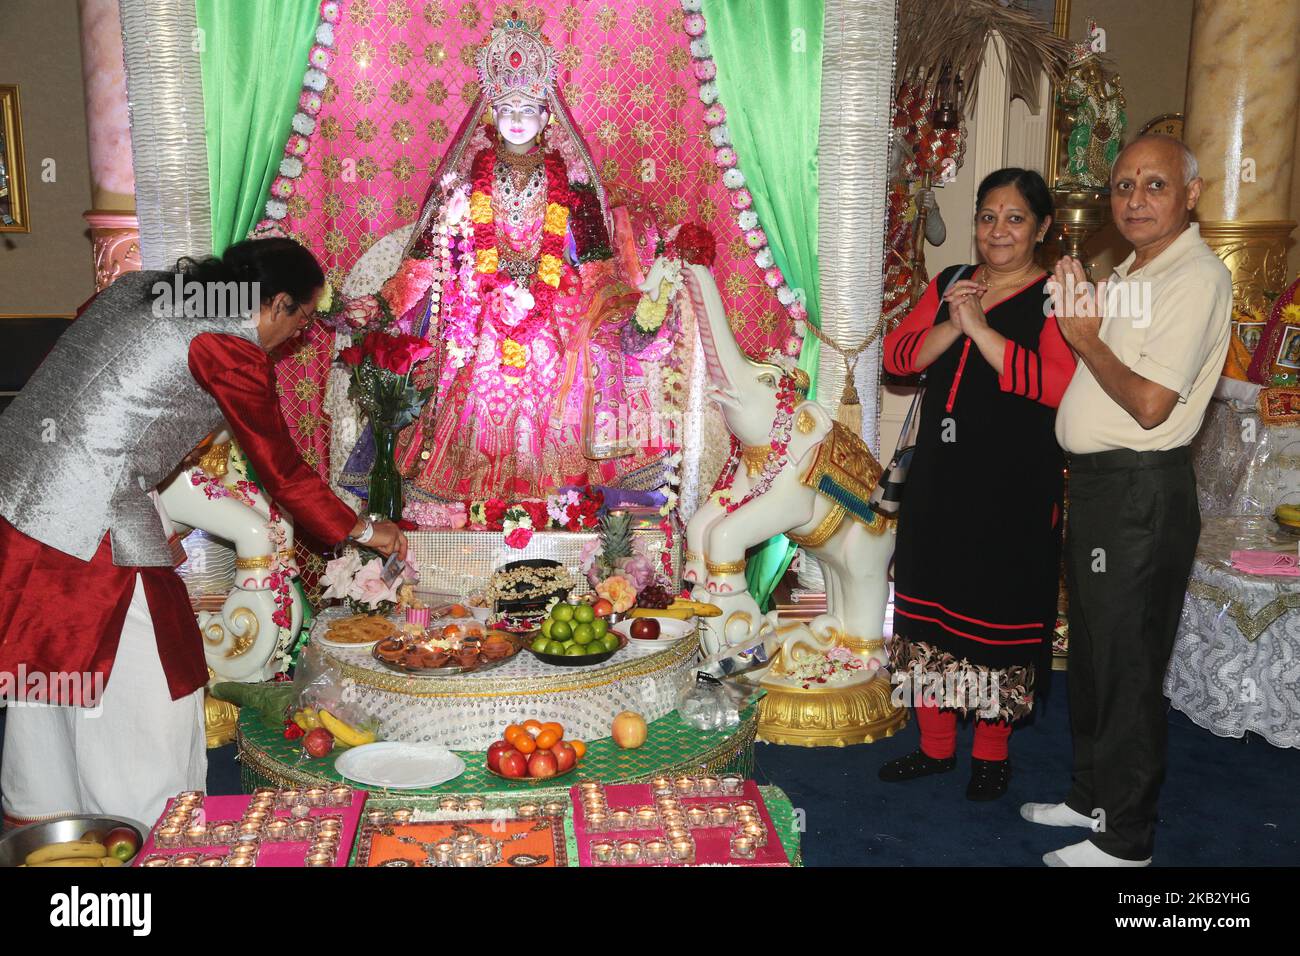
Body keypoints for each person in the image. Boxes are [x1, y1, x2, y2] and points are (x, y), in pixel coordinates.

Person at [0, 238, 407, 826]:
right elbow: (282, 470)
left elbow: (109, 395)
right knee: (153, 674)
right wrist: (366, 528)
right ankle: (150, 828)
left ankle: (45, 823)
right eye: (301, 321)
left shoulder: (142, 289)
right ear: (277, 303)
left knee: (47, 664)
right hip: (88, 516)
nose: (297, 337)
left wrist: (152, 514)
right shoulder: (230, 347)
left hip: (19, 493)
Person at [1023, 135, 1232, 867]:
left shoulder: (1194, 278)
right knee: (1091, 657)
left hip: (1141, 492)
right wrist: (1085, 315)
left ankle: (1126, 838)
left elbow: (1148, 404)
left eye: (1154, 185)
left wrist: (1086, 338)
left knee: (1128, 665)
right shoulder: (1141, 269)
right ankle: (1091, 797)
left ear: (1190, 195)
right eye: (1123, 187)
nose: (1135, 200)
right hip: (1106, 488)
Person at [881, 168, 1076, 800]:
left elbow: (1054, 385)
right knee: (928, 616)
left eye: (1015, 218)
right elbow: (897, 359)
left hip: (1013, 490)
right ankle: (935, 747)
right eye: (988, 216)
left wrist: (982, 332)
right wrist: (954, 323)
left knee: (995, 619)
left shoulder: (1057, 297)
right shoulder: (949, 284)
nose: (998, 230)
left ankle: (992, 754)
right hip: (941, 484)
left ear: (1042, 229)